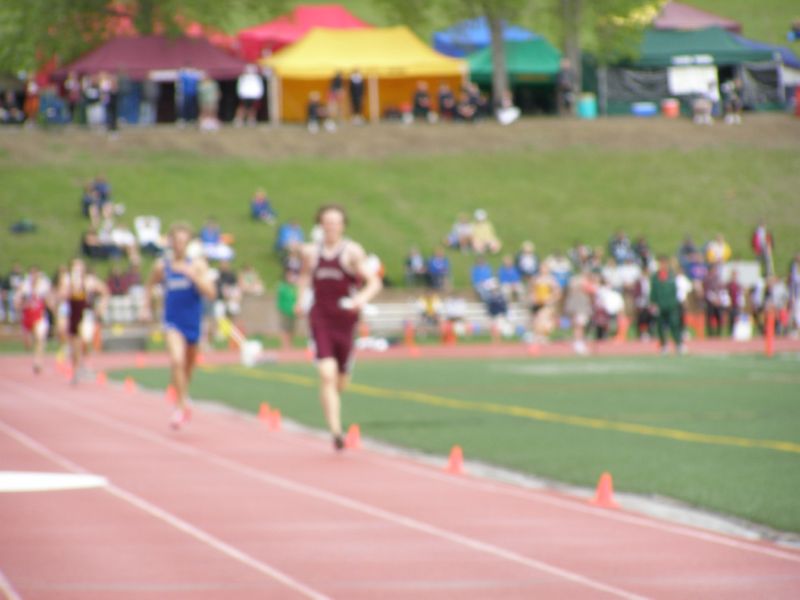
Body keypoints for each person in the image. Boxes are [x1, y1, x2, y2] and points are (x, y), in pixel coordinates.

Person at [295, 205, 383, 451]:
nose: (331, 226)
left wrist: (360, 300)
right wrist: (300, 300)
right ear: (320, 225)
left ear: (343, 225)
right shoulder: (311, 253)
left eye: (336, 222)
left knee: (341, 379)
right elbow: (303, 277)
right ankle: (336, 431)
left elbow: (374, 282)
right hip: (320, 317)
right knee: (326, 373)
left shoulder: (352, 252)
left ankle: (332, 402)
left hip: (345, 320)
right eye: (327, 222)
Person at [143, 223, 216, 429]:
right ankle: (181, 406)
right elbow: (149, 285)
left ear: (189, 243)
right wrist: (146, 307)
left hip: (192, 322)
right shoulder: (162, 266)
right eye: (176, 241)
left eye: (184, 241)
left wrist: (194, 277)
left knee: (187, 367)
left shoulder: (198, 265)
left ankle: (182, 395)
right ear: (170, 243)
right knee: (176, 360)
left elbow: (211, 293)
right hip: (172, 321)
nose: (179, 245)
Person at [58, 258, 109, 383]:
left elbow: (105, 291)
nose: (77, 269)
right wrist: (70, 289)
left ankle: (82, 364)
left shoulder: (89, 281)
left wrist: (101, 306)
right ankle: (76, 368)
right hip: (72, 313)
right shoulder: (68, 280)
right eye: (75, 267)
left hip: (86, 313)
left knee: (85, 339)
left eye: (79, 267)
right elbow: (62, 295)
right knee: (74, 342)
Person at [15, 266, 51, 374]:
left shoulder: (44, 287)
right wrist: (24, 304)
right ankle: (35, 357)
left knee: (40, 339)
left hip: (39, 317)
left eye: (37, 275)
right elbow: (17, 303)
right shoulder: (24, 287)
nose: (34, 277)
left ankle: (38, 362)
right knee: (28, 344)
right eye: (32, 275)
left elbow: (49, 300)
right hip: (27, 318)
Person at [650, 255, 685, 355]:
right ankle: (664, 345)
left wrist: (677, 302)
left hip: (671, 305)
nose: (662, 265)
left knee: (675, 324)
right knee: (660, 326)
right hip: (660, 305)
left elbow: (676, 290)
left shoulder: (672, 276)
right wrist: (653, 303)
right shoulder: (655, 277)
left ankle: (678, 344)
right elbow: (653, 292)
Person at [277, 270, 298, 350]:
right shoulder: (282, 287)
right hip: (284, 310)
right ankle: (284, 345)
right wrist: (282, 309)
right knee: (284, 328)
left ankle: (290, 344)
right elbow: (280, 299)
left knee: (292, 328)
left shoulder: (294, 287)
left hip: (293, 311)